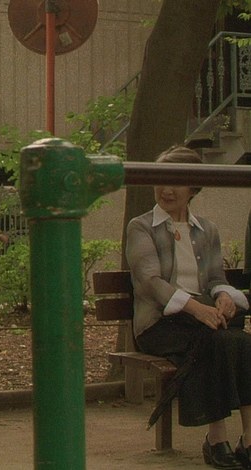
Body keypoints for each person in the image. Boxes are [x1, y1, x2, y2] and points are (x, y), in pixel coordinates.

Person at [126, 146, 250, 469]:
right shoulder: (141, 227)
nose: (166, 190)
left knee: (241, 340)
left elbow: (215, 278)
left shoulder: (207, 230)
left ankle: (249, 439)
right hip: (159, 324)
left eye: (176, 182)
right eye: (160, 180)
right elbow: (150, 282)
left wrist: (223, 297)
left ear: (193, 187)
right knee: (214, 339)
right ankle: (216, 439)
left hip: (200, 320)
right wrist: (198, 309)